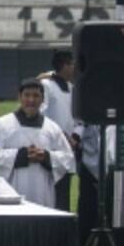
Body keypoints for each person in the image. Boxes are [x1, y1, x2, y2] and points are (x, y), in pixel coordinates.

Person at [0, 78, 75, 208]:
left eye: (36, 96)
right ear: (19, 97)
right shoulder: (2, 124)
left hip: (43, 195)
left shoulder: (52, 128)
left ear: (43, 99)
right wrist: (21, 155)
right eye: (27, 95)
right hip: (10, 196)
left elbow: (68, 158)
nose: (31, 100)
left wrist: (46, 157)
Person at [40, 50, 81, 211]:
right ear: (64, 65)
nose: (74, 69)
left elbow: (79, 119)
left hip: (69, 148)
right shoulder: (46, 86)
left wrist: (76, 137)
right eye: (72, 65)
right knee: (51, 193)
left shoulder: (73, 88)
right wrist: (62, 135)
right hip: (51, 147)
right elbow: (42, 113)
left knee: (64, 193)